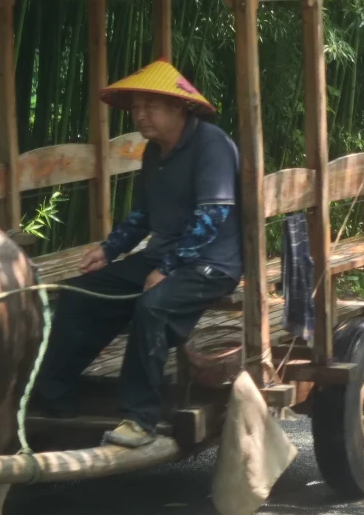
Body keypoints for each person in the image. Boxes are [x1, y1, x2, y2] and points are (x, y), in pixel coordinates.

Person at [32, 60, 242, 447]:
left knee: (153, 307)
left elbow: (213, 215)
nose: (140, 115)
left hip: (211, 262)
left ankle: (140, 419)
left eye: (150, 106)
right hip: (163, 257)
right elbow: (144, 214)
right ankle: (53, 396)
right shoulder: (153, 152)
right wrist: (109, 251)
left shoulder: (210, 144)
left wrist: (167, 268)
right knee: (81, 293)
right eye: (135, 108)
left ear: (180, 108)